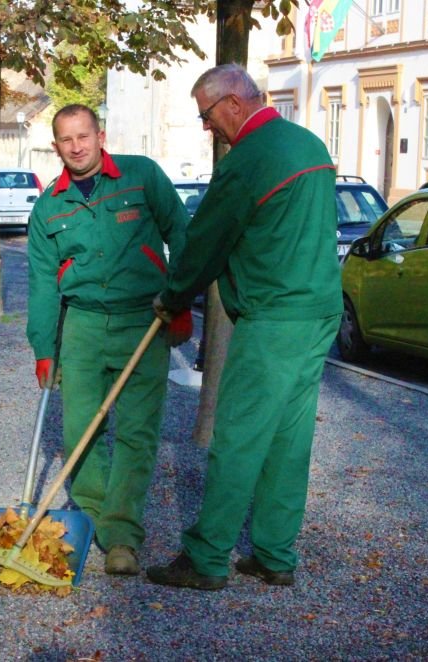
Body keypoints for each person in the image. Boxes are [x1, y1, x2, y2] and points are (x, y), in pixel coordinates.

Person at [146, 64, 342, 590]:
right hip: (320, 310)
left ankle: (207, 558)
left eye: (207, 115)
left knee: (238, 435)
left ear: (234, 103)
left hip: (274, 316)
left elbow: (206, 242)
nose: (206, 127)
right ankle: (276, 555)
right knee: (288, 437)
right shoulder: (308, 144)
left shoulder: (248, 160)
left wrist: (172, 296)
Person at [26, 104, 191, 575]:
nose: (76, 147)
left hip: (144, 320)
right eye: (66, 139)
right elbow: (42, 283)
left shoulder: (142, 177)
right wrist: (44, 348)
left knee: (137, 433)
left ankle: (121, 537)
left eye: (83, 136)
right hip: (81, 326)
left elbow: (182, 234)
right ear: (56, 146)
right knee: (80, 431)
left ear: (100, 136)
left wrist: (180, 299)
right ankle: (100, 520)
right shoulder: (49, 207)